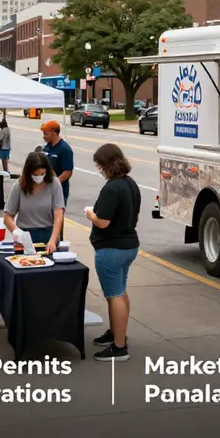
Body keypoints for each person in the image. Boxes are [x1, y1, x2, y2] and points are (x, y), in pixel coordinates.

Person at [85, 143, 141, 362]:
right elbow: (133, 217)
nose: (99, 169)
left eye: (99, 165)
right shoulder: (130, 184)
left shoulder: (111, 188)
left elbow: (103, 222)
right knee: (119, 291)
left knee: (114, 295)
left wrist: (90, 214)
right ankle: (117, 333)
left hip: (111, 248)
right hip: (129, 245)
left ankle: (119, 347)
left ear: (106, 165)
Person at [3, 151, 64, 252]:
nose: (39, 177)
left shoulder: (54, 184)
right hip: (25, 235)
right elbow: (8, 216)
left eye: (42, 174)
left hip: (47, 234)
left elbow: (58, 215)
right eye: (35, 174)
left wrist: (53, 240)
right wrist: (17, 232)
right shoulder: (18, 186)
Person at [41, 121, 74, 207]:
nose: (44, 136)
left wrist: (53, 183)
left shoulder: (65, 149)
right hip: (45, 191)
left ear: (54, 133)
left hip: (59, 192)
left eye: (46, 134)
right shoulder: (46, 148)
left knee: (57, 218)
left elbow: (67, 172)